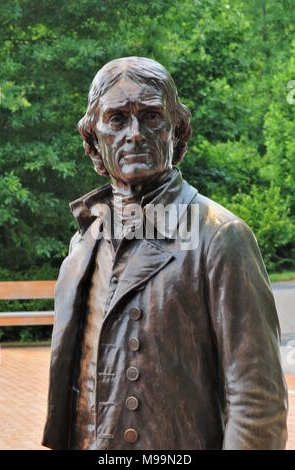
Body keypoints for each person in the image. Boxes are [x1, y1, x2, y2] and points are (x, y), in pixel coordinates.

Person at [42, 57, 288, 450]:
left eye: (152, 117)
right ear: (93, 141)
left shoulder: (220, 236)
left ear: (178, 131)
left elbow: (258, 401)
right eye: (117, 119)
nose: (135, 134)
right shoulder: (84, 243)